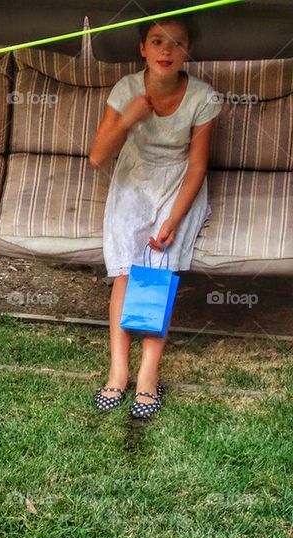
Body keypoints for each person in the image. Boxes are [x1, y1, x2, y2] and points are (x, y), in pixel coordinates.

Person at [89, 15, 219, 419]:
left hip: (179, 182)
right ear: (142, 49)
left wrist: (173, 220)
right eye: (157, 41)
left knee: (157, 268)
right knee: (126, 270)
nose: (167, 50)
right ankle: (118, 371)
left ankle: (148, 375)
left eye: (177, 43)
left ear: (188, 51)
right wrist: (130, 116)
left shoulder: (202, 97)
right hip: (134, 177)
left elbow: (197, 166)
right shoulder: (127, 89)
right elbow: (97, 156)